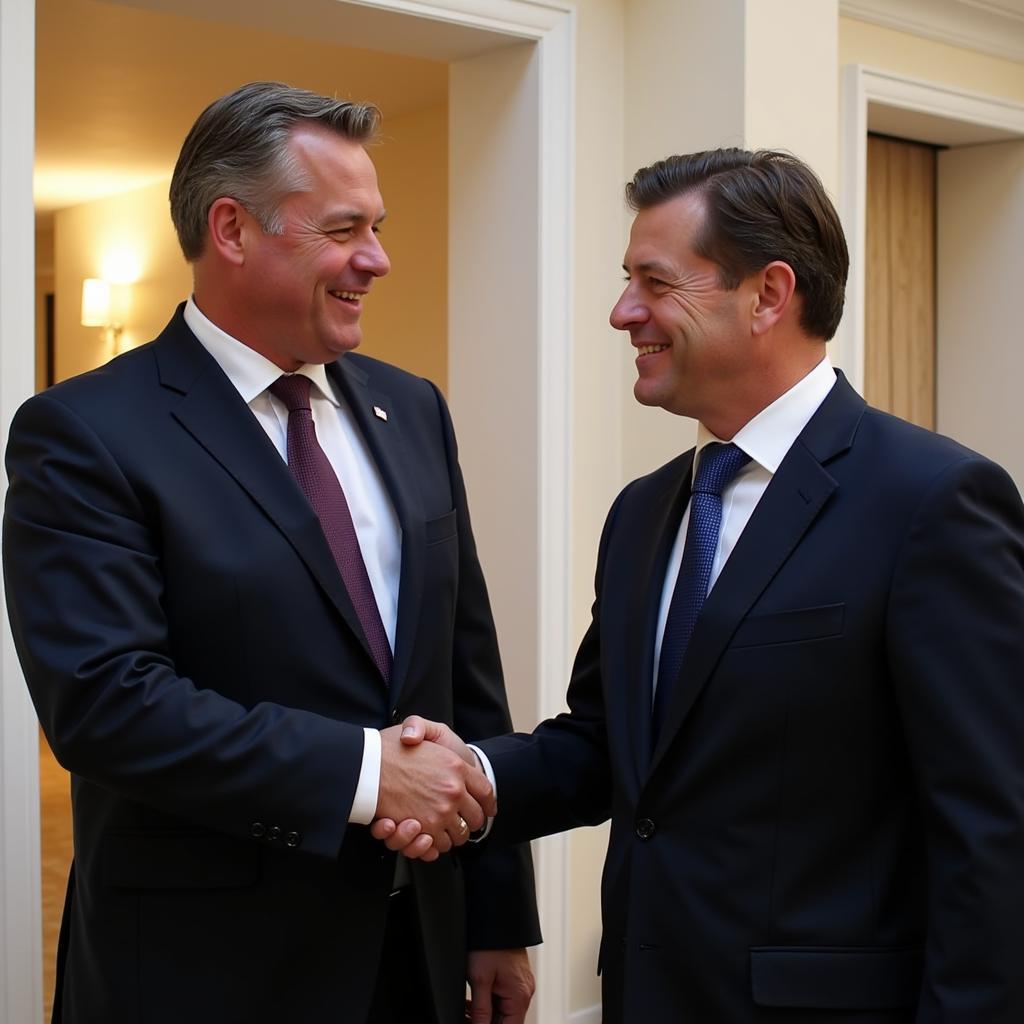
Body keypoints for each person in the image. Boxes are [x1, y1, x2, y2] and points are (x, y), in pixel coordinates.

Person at [377, 148, 1024, 1022]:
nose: (622, 313)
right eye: (625, 280)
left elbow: (992, 830)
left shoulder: (932, 501)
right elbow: (612, 746)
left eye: (655, 281)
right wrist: (474, 776)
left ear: (768, 295)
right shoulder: (644, 515)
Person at [3, 82, 539, 1024]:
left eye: (377, 226)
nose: (377, 259)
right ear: (233, 229)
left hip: (416, 955)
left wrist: (496, 914)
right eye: (344, 230)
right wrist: (369, 775)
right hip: (204, 972)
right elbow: (106, 702)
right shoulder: (85, 433)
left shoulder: (410, 407)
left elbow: (465, 675)